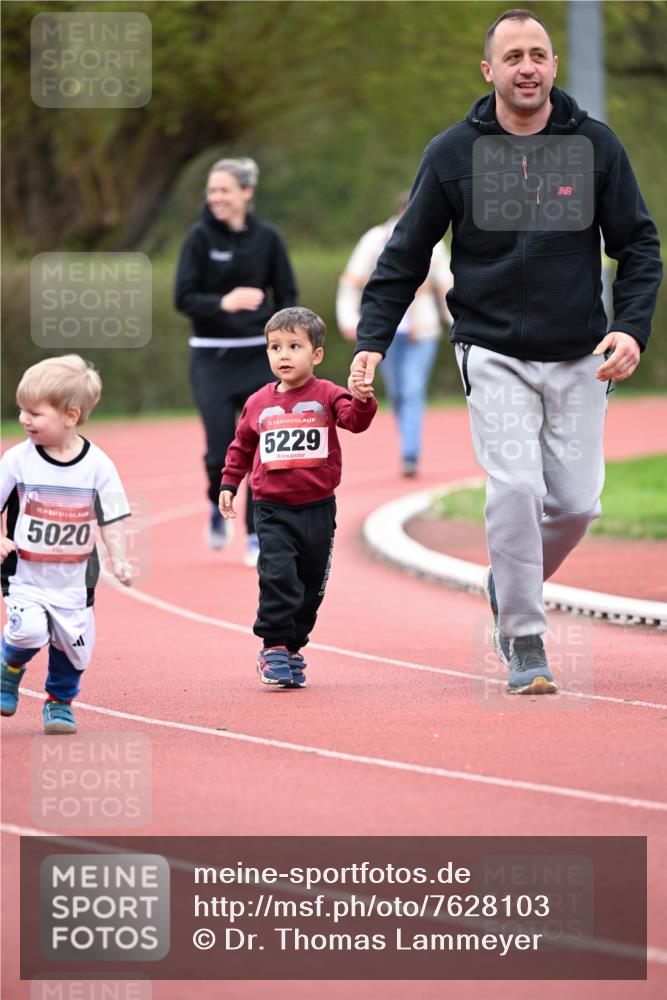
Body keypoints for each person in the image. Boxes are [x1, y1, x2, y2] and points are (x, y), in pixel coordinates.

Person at [350, 9, 662, 695]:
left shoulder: (596, 148)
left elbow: (638, 246)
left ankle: (510, 578)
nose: (528, 66)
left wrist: (631, 328)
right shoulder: (450, 154)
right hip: (490, 348)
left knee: (576, 505)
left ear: (551, 67)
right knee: (516, 488)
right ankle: (523, 636)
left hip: (578, 351)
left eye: (539, 55)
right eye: (513, 55)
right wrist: (372, 341)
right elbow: (403, 258)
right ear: (489, 69)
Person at [219, 307, 377, 688]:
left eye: (294, 346)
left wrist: (362, 399)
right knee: (278, 576)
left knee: (310, 586)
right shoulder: (258, 402)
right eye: (275, 347)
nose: (283, 355)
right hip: (272, 509)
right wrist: (229, 483)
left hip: (319, 509)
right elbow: (241, 446)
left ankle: (293, 647)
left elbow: (355, 421)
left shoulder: (327, 394)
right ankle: (272, 646)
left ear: (316, 354)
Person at [175, 157, 298, 565]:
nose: (216, 198)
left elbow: (288, 296)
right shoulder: (198, 239)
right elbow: (183, 298)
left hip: (257, 360)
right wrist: (222, 303)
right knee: (218, 454)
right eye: (212, 191)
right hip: (211, 358)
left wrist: (278, 337)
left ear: (246, 193)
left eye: (224, 190)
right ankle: (217, 502)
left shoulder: (268, 239)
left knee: (263, 450)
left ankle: (254, 534)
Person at [0, 356, 133, 734]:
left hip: (75, 579)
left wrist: (119, 560)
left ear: (71, 415)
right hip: (25, 572)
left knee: (74, 647)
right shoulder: (17, 461)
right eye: (21, 409)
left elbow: (112, 517)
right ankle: (9, 669)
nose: (25, 419)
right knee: (27, 630)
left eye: (35, 412)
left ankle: (59, 702)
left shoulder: (98, 466)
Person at [337, 194, 453, 477]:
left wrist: (459, 323)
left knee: (413, 390)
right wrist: (349, 319)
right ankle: (407, 444)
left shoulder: (434, 243)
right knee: (399, 393)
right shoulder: (374, 240)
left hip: (421, 330)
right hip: (386, 333)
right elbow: (351, 282)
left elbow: (448, 287)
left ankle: (410, 454)